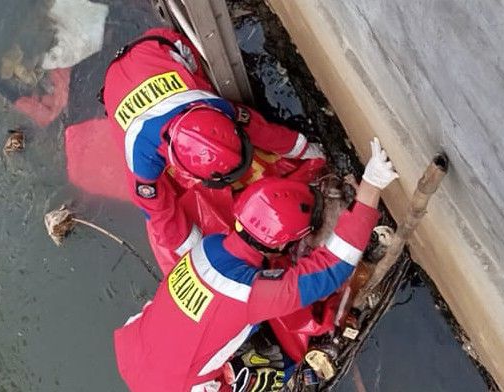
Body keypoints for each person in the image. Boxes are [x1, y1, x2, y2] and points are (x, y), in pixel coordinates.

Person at [113, 138, 398, 392]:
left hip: (137, 355)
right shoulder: (250, 295)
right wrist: (370, 186)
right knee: (273, 371)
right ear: (280, 245)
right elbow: (334, 267)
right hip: (181, 387)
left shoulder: (206, 249)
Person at [102, 28, 325, 261]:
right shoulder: (141, 157)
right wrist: (193, 247)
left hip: (163, 45)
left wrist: (298, 146)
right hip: (117, 87)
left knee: (199, 74)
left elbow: (254, 125)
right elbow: (157, 210)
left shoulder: (212, 105)